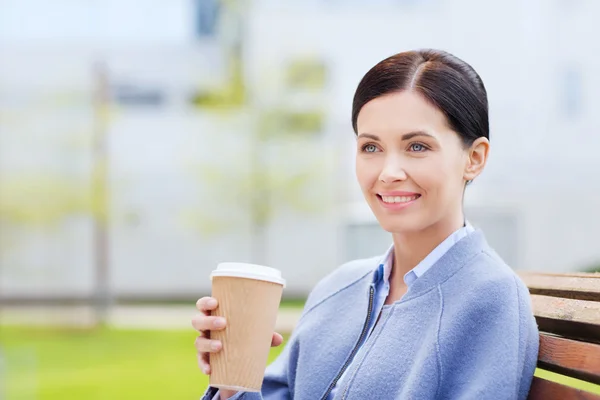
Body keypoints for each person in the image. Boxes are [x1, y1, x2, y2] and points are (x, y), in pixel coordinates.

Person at [192, 49, 539, 400]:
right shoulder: (337, 288)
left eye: (417, 146)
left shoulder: (490, 298)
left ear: (474, 158)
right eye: (371, 147)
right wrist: (233, 380)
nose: (388, 173)